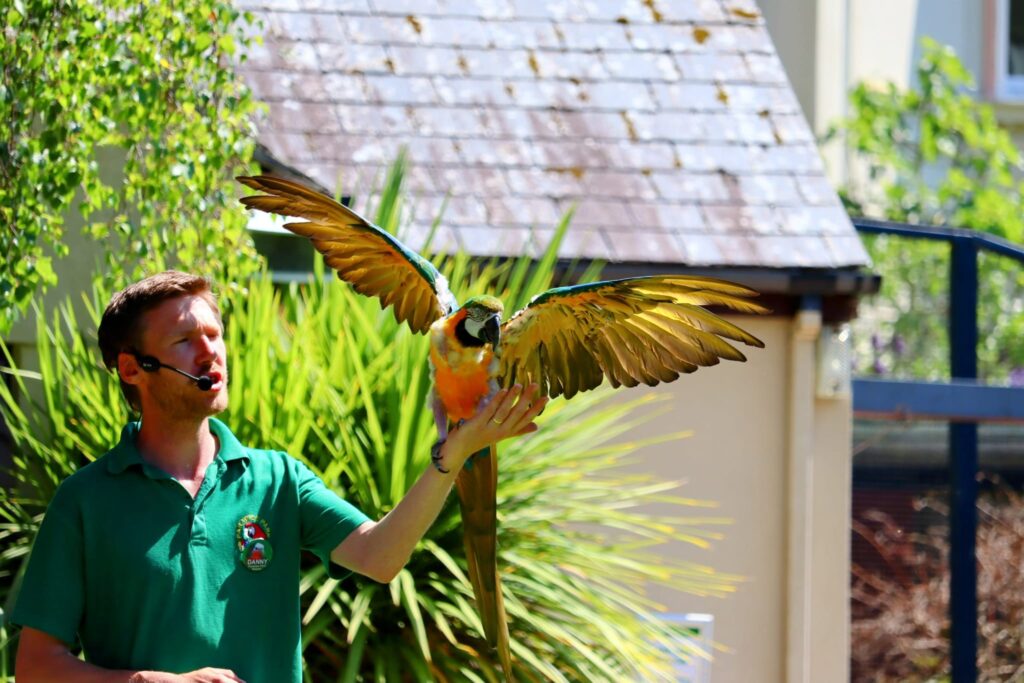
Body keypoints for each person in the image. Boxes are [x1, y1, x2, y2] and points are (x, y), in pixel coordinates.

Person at [12, 271, 546, 683]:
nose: (210, 352)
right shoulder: (84, 502)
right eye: (184, 341)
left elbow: (381, 558)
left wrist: (452, 454)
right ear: (134, 369)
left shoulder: (278, 480)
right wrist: (148, 681)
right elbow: (35, 668)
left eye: (215, 334)